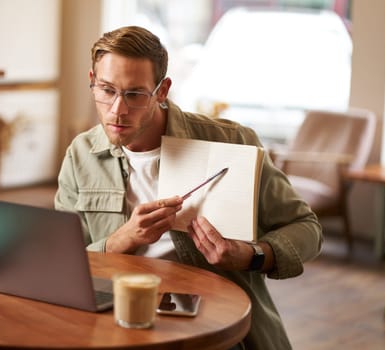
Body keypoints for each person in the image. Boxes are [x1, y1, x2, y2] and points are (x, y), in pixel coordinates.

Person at [55, 25, 322, 349]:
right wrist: (121, 240)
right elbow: (65, 266)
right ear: (92, 81)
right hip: (116, 323)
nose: (117, 110)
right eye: (106, 90)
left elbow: (307, 228)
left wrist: (251, 255)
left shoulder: (231, 141)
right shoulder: (80, 155)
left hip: (218, 328)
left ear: (162, 90)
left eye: (135, 94)